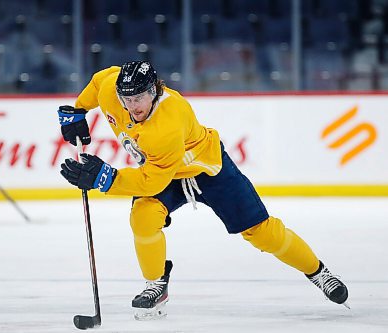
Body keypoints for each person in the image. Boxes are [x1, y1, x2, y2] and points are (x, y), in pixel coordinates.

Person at [58, 61, 349, 320]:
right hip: (164, 173)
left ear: (155, 91)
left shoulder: (168, 122)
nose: (133, 106)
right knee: (144, 217)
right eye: (127, 98)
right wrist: (79, 109)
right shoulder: (113, 91)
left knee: (262, 231)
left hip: (208, 171)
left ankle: (319, 272)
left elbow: (152, 182)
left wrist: (105, 179)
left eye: (140, 97)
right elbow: (100, 80)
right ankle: (156, 284)